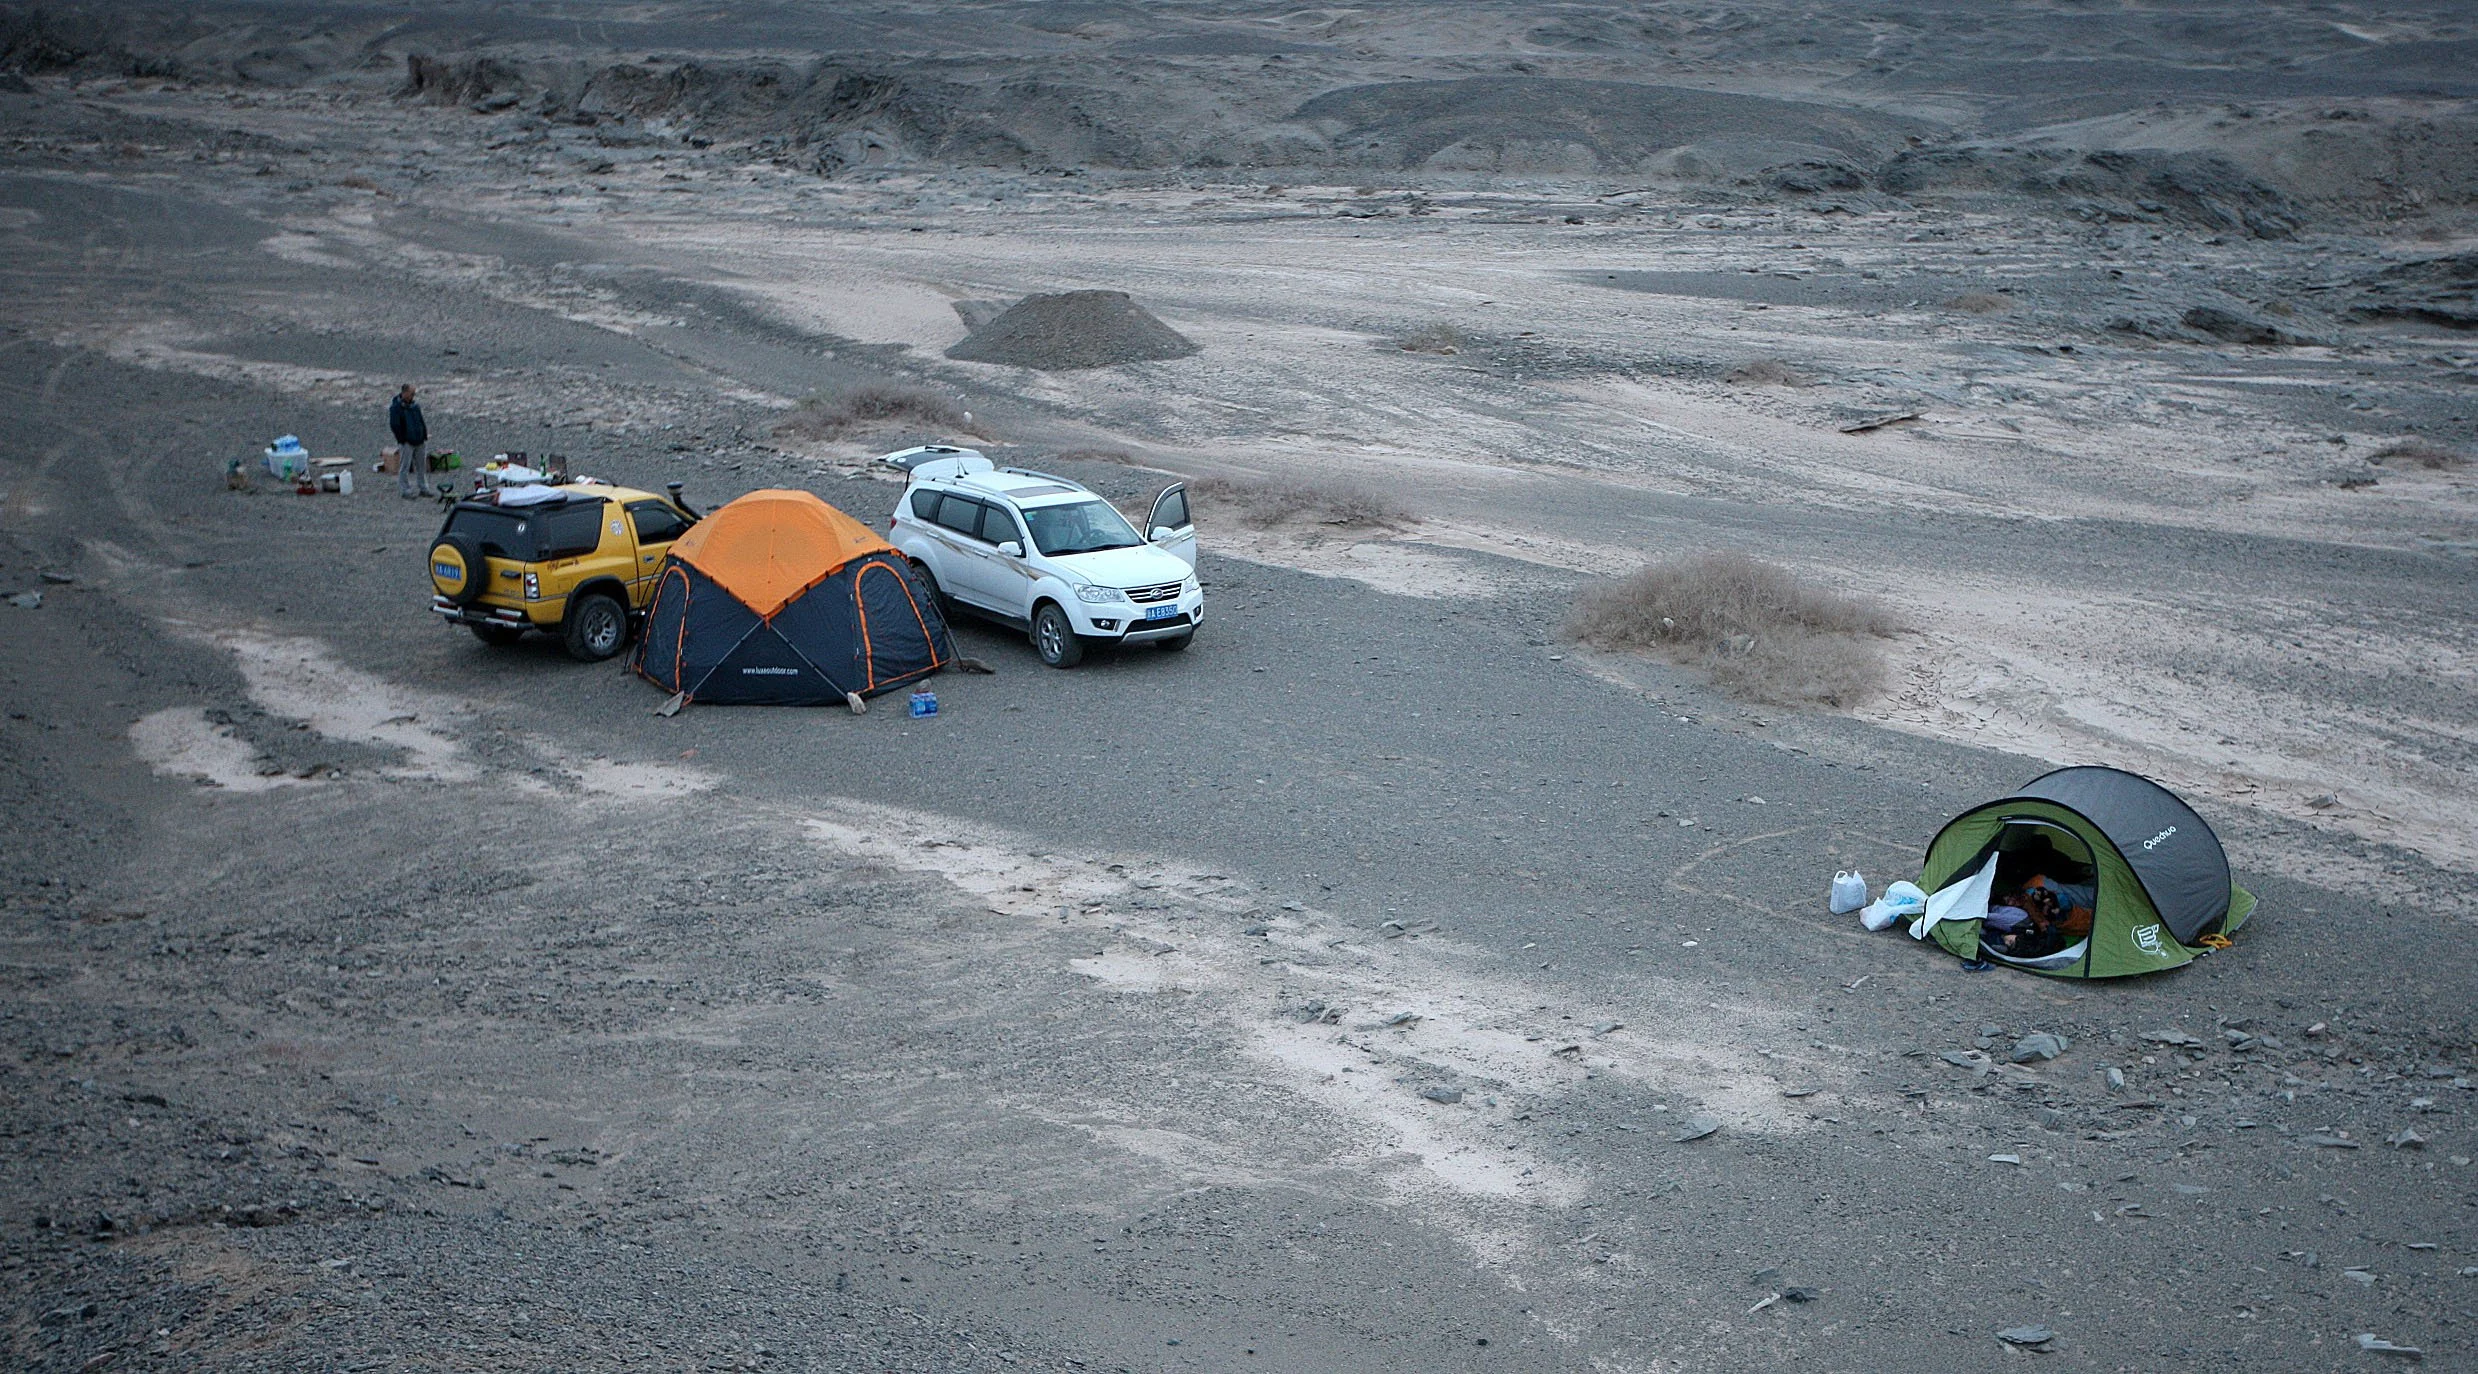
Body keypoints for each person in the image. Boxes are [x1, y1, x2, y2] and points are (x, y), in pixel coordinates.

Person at [389, 384, 429, 498]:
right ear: (405, 393)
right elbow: (394, 425)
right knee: (405, 467)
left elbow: (421, 420)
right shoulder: (396, 408)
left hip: (419, 440)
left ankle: (423, 488)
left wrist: (424, 435)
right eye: (412, 393)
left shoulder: (415, 406)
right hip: (407, 442)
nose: (413, 396)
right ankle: (405, 490)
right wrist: (402, 439)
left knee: (421, 466)